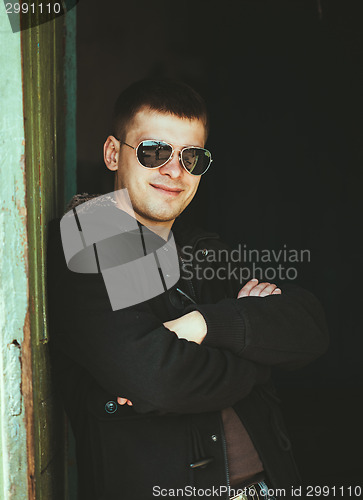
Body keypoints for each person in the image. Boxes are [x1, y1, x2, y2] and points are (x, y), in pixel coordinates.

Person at [47, 77, 329, 500]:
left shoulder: (199, 247)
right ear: (112, 153)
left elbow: (308, 327)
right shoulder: (86, 237)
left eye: (191, 156)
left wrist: (204, 325)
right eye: (153, 151)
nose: (174, 170)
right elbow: (161, 379)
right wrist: (256, 359)